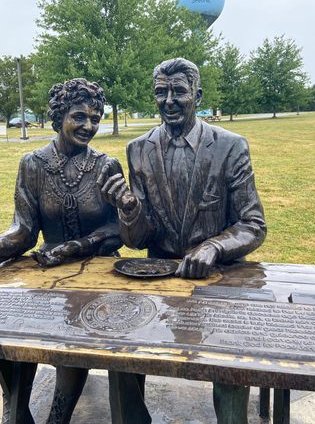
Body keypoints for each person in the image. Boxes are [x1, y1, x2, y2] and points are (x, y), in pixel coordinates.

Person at [0, 78, 123, 424]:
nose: (89, 126)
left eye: (95, 118)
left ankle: (58, 418)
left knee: (72, 332)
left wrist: (80, 245)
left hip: (99, 270)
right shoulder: (32, 165)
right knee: (6, 323)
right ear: (59, 116)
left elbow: (117, 229)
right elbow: (23, 230)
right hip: (46, 269)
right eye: (79, 116)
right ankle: (16, 409)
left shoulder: (106, 166)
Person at [98, 58, 266, 424]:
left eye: (179, 91)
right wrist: (128, 210)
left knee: (229, 355)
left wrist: (214, 246)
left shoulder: (230, 147)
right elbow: (139, 240)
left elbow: (253, 224)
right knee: (119, 347)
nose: (169, 100)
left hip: (217, 277)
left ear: (197, 96)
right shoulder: (138, 149)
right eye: (161, 92)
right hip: (158, 275)